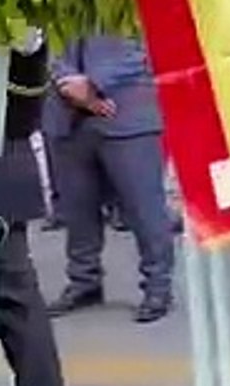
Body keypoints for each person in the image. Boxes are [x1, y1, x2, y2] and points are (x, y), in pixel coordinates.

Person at [43, 35, 175, 324]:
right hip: (67, 116)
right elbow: (41, 37)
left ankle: (158, 285)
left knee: (144, 208)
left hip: (127, 111)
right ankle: (84, 281)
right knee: (78, 209)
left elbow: (154, 44)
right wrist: (67, 81)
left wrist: (91, 86)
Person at [0, 30, 70, 386]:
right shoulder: (17, 24)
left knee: (18, 305)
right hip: (5, 170)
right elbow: (25, 115)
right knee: (18, 306)